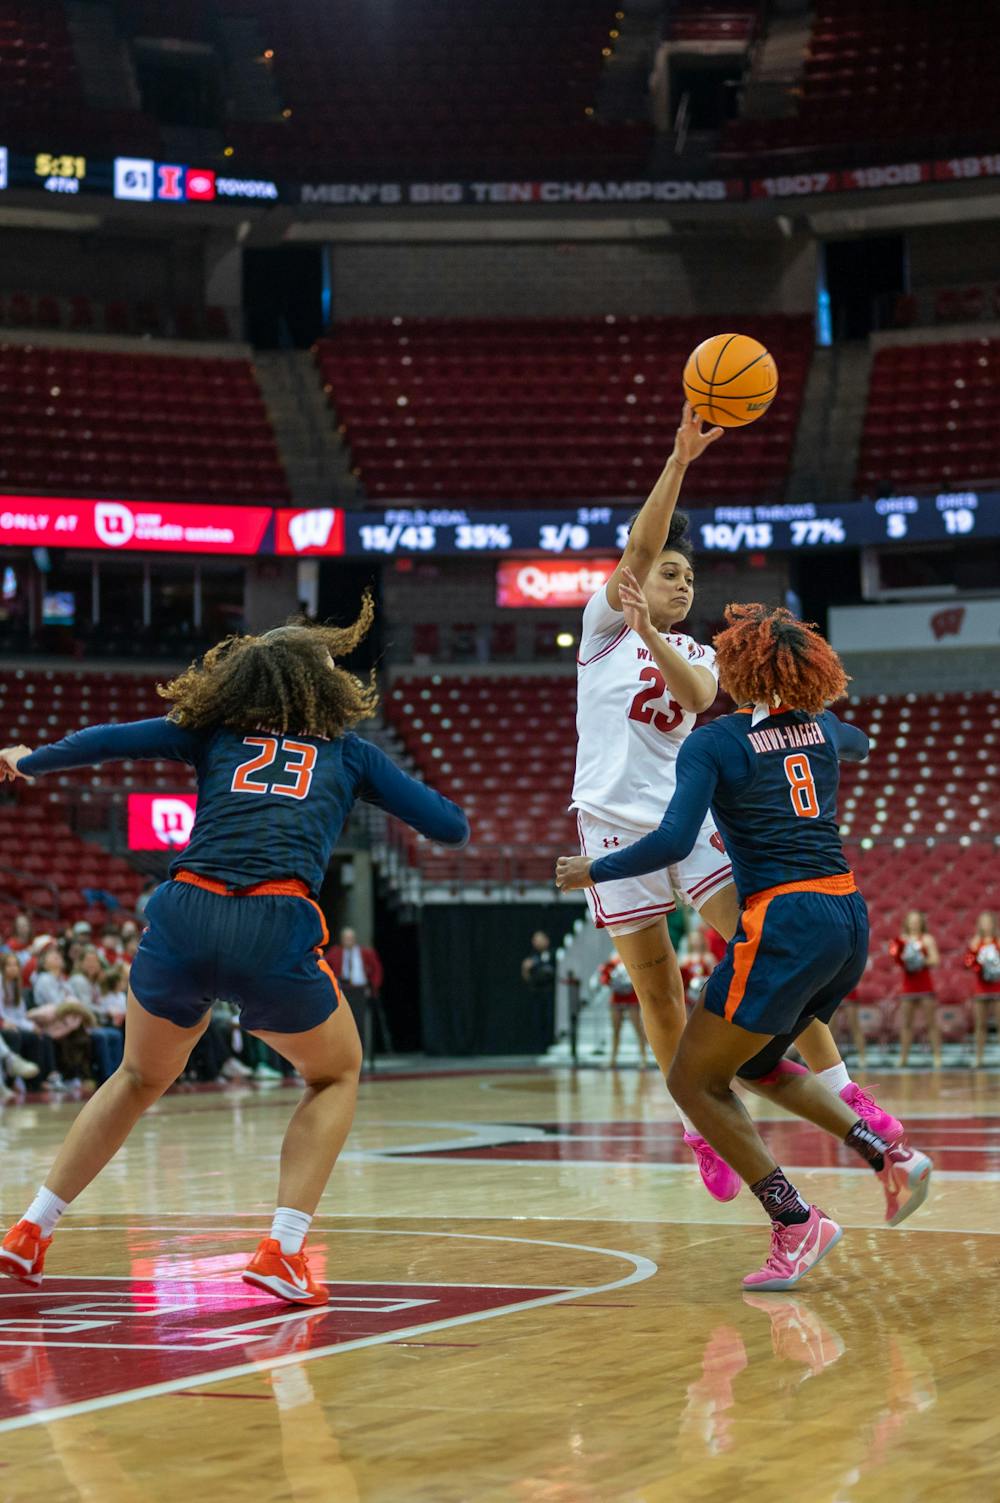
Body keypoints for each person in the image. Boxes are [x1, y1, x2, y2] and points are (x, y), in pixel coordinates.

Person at [0, 595, 469, 1304]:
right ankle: (282, 1248)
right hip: (273, 919)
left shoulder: (212, 731)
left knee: (136, 1076)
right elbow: (452, 828)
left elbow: (110, 738)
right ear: (320, 687)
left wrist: (29, 759)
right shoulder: (350, 752)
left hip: (184, 910)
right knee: (335, 1073)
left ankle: (31, 1229)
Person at [567, 403, 898, 1201]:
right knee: (658, 991)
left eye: (689, 577)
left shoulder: (695, 649)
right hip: (609, 825)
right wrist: (679, 459)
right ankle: (700, 1129)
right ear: (634, 581)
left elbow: (693, 694)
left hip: (687, 820)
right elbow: (640, 545)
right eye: (669, 573)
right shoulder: (601, 629)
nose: (682, 582)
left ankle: (846, 1089)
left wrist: (656, 636)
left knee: (765, 951)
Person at [557, 603, 931, 1290]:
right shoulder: (822, 728)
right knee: (757, 1063)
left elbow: (673, 841)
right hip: (848, 917)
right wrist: (816, 724)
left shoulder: (715, 741)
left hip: (785, 920)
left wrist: (595, 869)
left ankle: (796, 1220)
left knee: (691, 1080)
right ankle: (888, 1155)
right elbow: (859, 741)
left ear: (738, 671)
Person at [325, 927, 386, 1067]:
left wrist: (373, 987)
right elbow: (324, 966)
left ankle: (360, 1057)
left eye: (351, 938)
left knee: (359, 1024)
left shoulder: (365, 953)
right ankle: (343, 1057)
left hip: (360, 990)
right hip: (343, 991)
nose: (349, 941)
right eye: (346, 938)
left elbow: (377, 969)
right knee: (342, 1025)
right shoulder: (335, 952)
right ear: (342, 940)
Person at [890, 911, 941, 1069]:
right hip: (908, 987)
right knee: (906, 1024)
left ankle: (937, 1056)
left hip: (925, 986)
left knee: (931, 1023)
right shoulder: (901, 940)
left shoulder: (927, 939)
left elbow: (935, 959)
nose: (914, 923)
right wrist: (905, 960)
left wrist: (919, 960)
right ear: (906, 922)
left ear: (921, 922)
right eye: (911, 921)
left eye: (917, 921)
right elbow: (896, 959)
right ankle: (903, 1057)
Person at [598, 950, 648, 1068]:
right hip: (617, 997)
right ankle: (613, 1059)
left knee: (638, 1028)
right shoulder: (613, 961)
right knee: (616, 1030)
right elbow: (604, 978)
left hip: (631, 997)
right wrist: (607, 978)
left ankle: (643, 1057)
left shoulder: (633, 956)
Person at [965, 910, 1000, 1068]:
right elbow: (968, 962)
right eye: (983, 922)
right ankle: (979, 1057)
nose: (986, 925)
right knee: (980, 1024)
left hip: (998, 986)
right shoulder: (976, 942)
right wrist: (976, 961)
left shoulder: (998, 940)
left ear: (993, 924)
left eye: (988, 922)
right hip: (982, 987)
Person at [679, 927, 715, 1008]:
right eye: (693, 939)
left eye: (697, 939)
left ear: (702, 940)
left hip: (704, 993)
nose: (695, 941)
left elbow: (714, 977)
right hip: (689, 995)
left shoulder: (708, 957)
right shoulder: (685, 959)